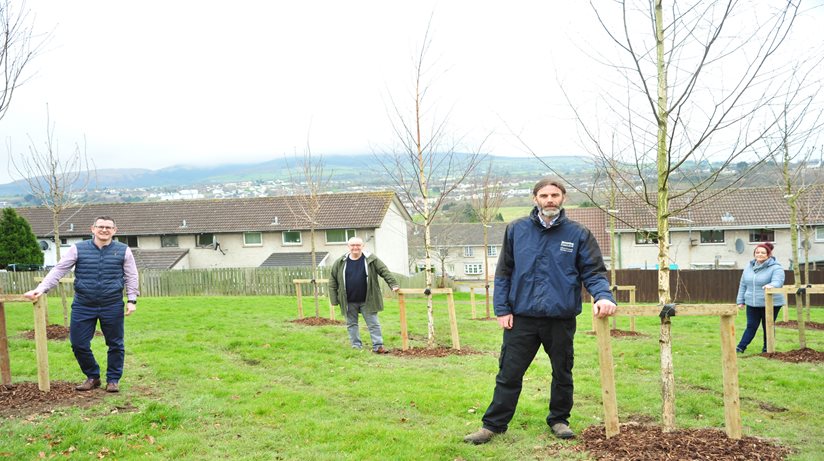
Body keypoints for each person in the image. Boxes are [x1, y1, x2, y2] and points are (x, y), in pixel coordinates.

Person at [464, 178, 617, 444]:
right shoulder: (516, 230)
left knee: (562, 373)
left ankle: (559, 420)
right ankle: (493, 425)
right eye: (544, 195)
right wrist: (502, 309)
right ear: (535, 198)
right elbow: (504, 273)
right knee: (509, 373)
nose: (550, 200)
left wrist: (603, 296)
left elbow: (593, 272)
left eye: (555, 195)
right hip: (521, 318)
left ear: (563, 198)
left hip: (560, 318)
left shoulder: (578, 234)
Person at [24, 216, 139, 393]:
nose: (104, 230)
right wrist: (41, 289)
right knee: (78, 343)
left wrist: (131, 300)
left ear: (115, 231)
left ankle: (113, 380)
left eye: (108, 227)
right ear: (92, 229)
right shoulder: (78, 249)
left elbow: (131, 275)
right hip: (83, 305)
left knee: (115, 344)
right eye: (100, 226)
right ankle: (93, 376)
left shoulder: (123, 250)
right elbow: (60, 269)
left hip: (112, 304)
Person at [329, 236, 399, 354]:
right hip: (348, 300)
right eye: (352, 245)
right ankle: (356, 345)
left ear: (362, 246)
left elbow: (384, 271)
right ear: (348, 247)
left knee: (373, 324)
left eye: (358, 245)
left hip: (368, 299)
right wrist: (334, 299)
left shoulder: (371, 259)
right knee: (351, 324)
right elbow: (332, 281)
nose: (355, 247)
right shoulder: (340, 262)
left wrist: (393, 284)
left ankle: (378, 346)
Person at [736, 242, 785, 354]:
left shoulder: (776, 267)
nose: (760, 254)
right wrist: (740, 301)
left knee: (768, 326)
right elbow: (743, 284)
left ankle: (767, 349)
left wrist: (771, 285)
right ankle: (740, 347)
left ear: (768, 254)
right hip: (752, 302)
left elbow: (778, 281)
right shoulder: (749, 267)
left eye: (763, 252)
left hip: (770, 303)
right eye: (757, 252)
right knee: (751, 325)